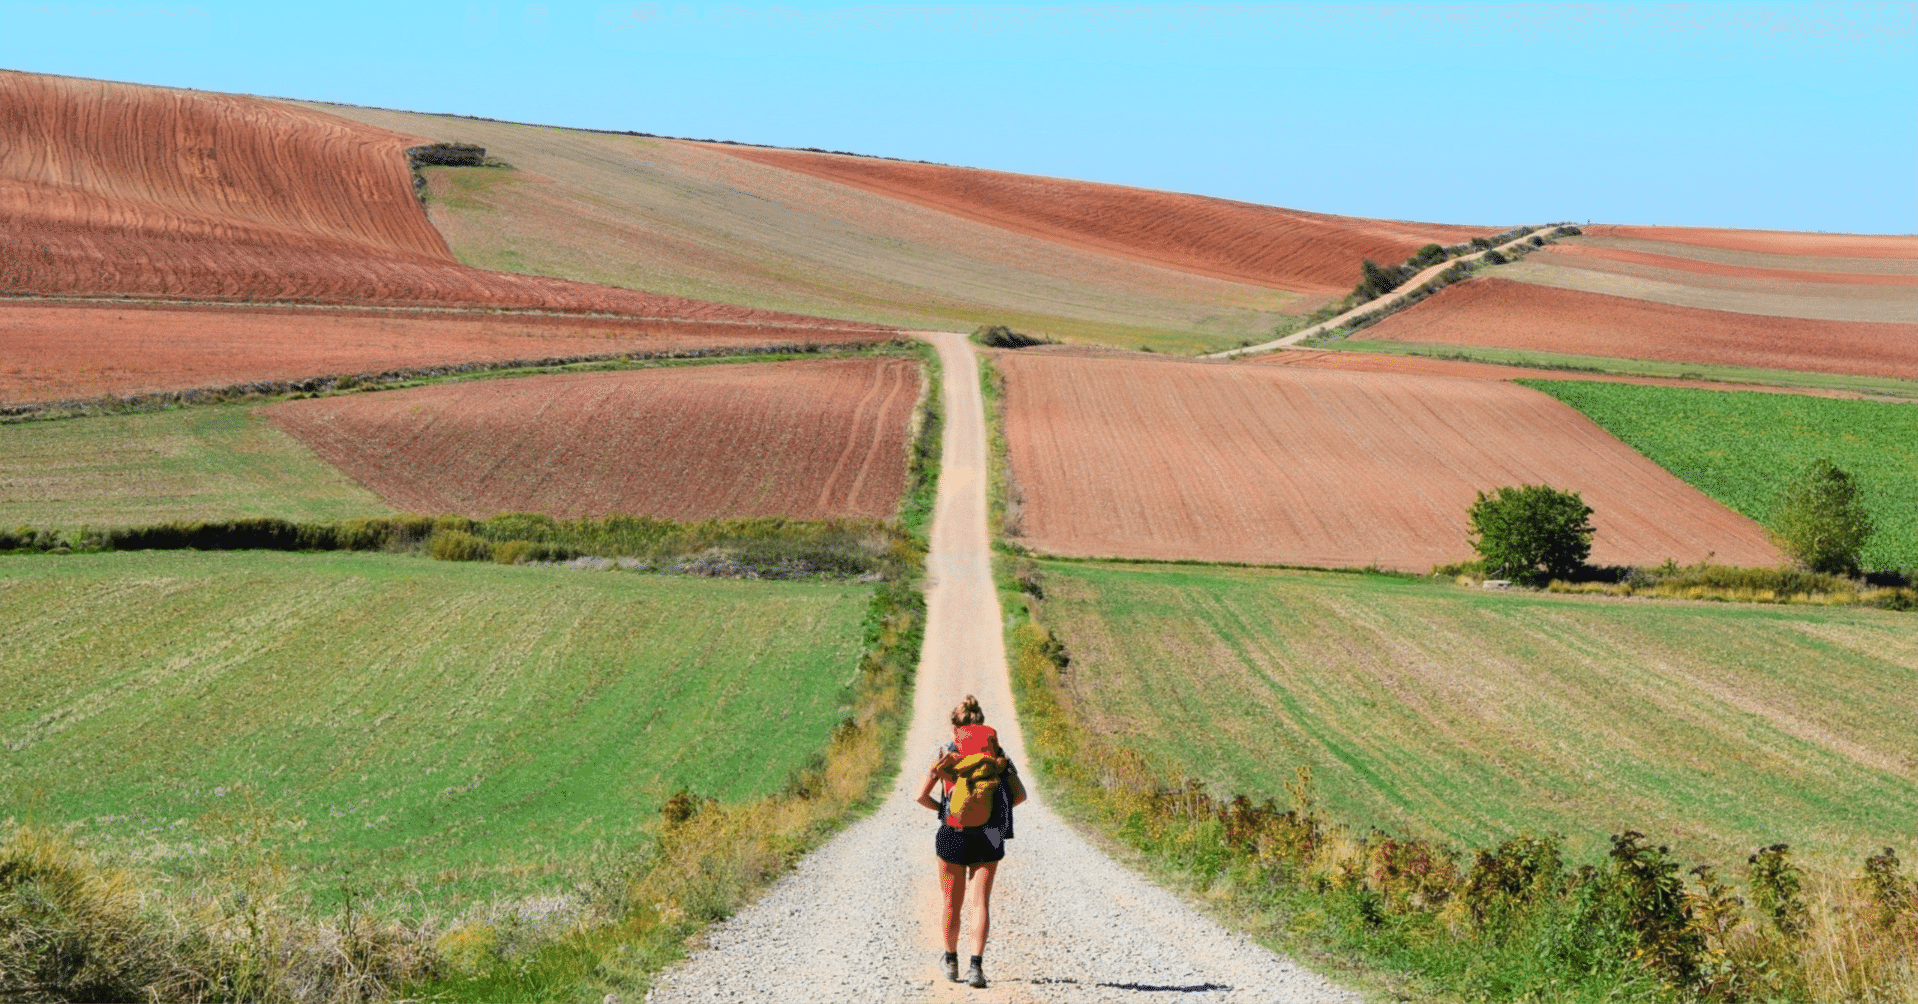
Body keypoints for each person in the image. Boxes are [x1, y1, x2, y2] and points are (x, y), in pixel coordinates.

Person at [915, 694, 1027, 989]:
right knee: (981, 902)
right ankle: (976, 968)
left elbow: (920, 795)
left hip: (953, 832)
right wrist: (992, 814)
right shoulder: (999, 757)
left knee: (952, 902)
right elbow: (1020, 796)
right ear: (983, 724)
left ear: (955, 727)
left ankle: (951, 962)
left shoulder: (944, 754)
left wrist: (945, 809)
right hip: (990, 833)